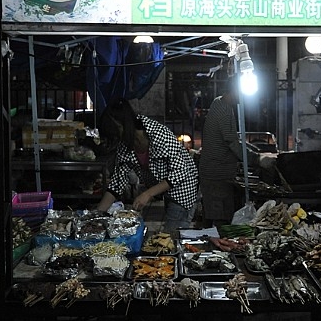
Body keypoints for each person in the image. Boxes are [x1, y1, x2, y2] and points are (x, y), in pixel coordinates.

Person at [95, 98, 198, 232]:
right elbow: (117, 183)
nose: (116, 140)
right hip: (166, 189)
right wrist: (96, 215)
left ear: (122, 125)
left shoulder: (158, 134)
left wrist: (147, 194)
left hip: (184, 188)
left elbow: (180, 171)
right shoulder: (125, 143)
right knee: (169, 233)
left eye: (115, 134)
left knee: (171, 235)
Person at [198, 79, 243, 227]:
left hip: (212, 171)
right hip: (217, 174)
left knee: (211, 217)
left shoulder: (218, 102)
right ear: (234, 92)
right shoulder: (224, 110)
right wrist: (255, 159)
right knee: (220, 220)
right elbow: (231, 141)